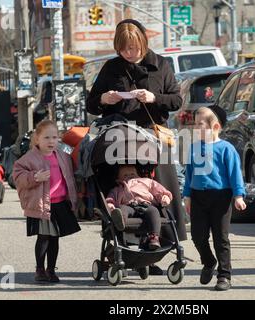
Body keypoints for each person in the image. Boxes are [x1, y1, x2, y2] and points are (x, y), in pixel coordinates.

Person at [86, 19, 186, 274]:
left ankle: (155, 250)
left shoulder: (160, 64)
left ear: (144, 42)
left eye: (135, 48)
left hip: (151, 136)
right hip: (118, 140)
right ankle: (124, 246)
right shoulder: (112, 67)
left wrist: (155, 98)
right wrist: (103, 99)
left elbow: (176, 100)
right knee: (120, 193)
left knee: (157, 192)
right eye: (125, 49)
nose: (130, 54)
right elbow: (91, 104)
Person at [183, 105, 247, 291]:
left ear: (215, 127)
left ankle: (224, 276)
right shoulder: (194, 148)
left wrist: (238, 195)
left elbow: (235, 173)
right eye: (194, 124)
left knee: (221, 238)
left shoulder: (226, 149)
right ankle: (209, 261)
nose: (196, 128)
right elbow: (189, 173)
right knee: (197, 236)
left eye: (200, 124)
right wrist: (187, 195)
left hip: (221, 197)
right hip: (198, 197)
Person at [13, 120, 81, 283]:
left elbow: (71, 177)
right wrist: (34, 177)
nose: (51, 141)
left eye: (55, 137)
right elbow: (17, 175)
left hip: (59, 203)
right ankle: (39, 269)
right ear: (37, 139)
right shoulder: (29, 158)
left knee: (55, 238)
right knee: (43, 237)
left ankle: (51, 269)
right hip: (41, 203)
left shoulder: (63, 156)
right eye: (46, 138)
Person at [106, 164, 172, 250]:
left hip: (146, 204)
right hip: (127, 205)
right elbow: (110, 199)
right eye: (125, 175)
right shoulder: (117, 189)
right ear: (119, 179)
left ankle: (154, 237)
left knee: (154, 211)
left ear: (137, 174)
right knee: (122, 209)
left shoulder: (146, 181)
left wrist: (164, 196)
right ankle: (120, 220)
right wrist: (111, 206)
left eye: (132, 174)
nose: (129, 176)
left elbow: (157, 189)